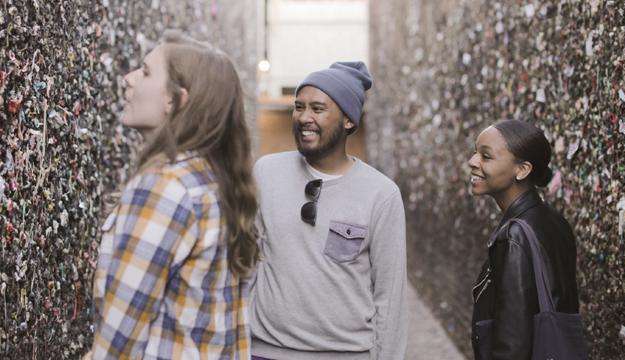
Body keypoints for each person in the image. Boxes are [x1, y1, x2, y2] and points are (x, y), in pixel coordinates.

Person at [86, 30, 259, 359]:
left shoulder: (165, 186)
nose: (128, 78)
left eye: (146, 71)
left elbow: (118, 342)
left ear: (175, 100)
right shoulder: (211, 182)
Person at [249, 62, 408, 360]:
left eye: (317, 109)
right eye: (299, 107)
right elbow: (246, 265)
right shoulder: (266, 172)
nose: (304, 117)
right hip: (264, 352)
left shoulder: (381, 194)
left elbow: (391, 296)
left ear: (348, 120)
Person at [467, 120, 581, 360]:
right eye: (475, 152)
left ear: (522, 170)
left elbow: (513, 345)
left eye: (486, 156)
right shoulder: (552, 218)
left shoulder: (514, 237)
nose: (472, 162)